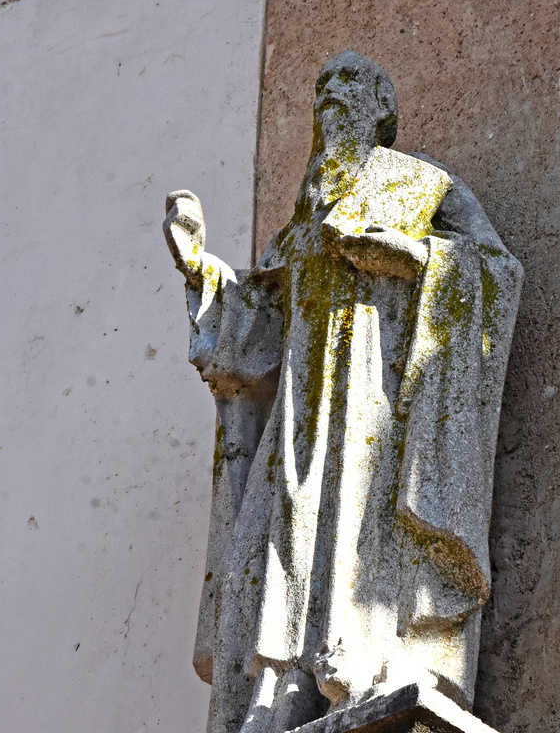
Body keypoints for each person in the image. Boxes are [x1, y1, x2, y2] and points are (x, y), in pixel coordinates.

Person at [163, 51, 521, 733]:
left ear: (382, 105)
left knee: (355, 525)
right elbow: (263, 320)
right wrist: (204, 275)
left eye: (349, 83)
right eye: (321, 86)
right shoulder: (301, 224)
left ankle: (361, 663)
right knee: (283, 536)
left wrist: (408, 256)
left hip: (378, 403)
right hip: (301, 411)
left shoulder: (421, 186)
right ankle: (284, 685)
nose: (331, 94)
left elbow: (496, 273)